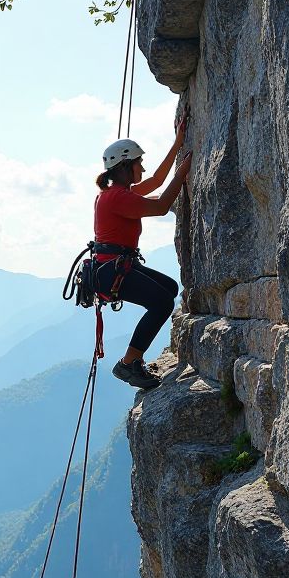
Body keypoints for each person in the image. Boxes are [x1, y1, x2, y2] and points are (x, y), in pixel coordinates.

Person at [93, 125, 192, 389]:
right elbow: (160, 206)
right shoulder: (116, 198)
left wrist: (177, 143)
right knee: (162, 303)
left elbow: (157, 182)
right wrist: (183, 172)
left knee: (170, 289)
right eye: (139, 163)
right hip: (112, 272)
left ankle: (131, 361)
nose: (143, 169)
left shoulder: (116, 194)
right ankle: (128, 363)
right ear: (126, 165)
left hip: (113, 268)